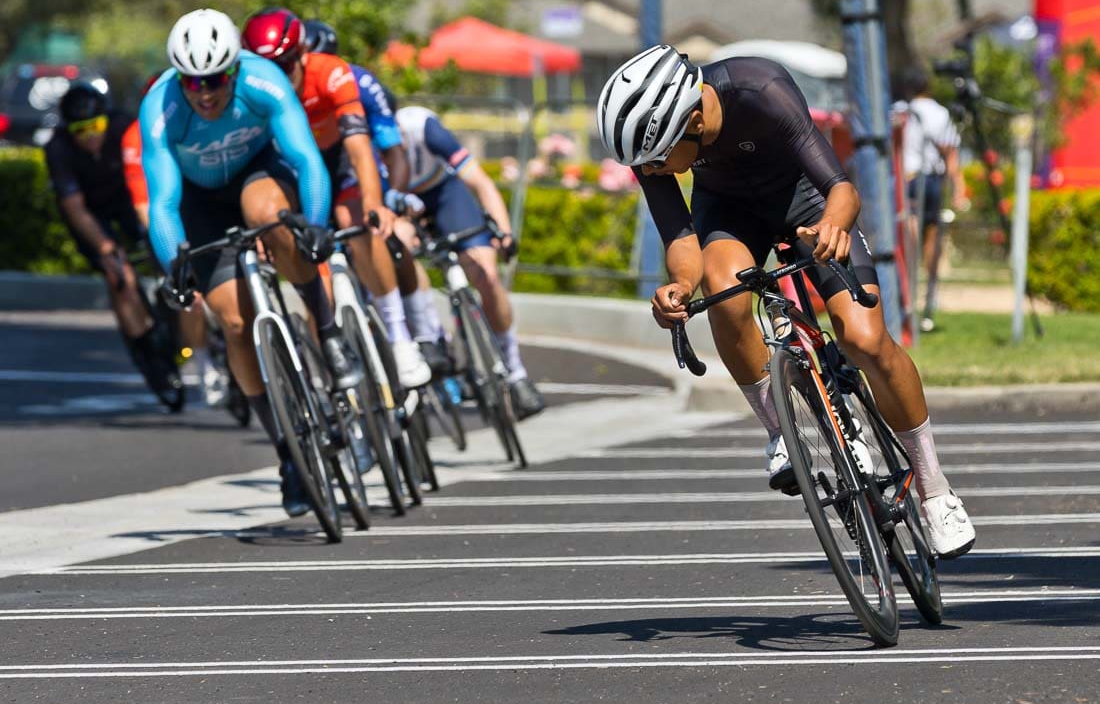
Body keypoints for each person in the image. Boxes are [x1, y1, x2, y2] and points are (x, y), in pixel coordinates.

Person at [595, 44, 974, 558]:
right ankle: (780, 430)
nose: (656, 170)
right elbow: (682, 240)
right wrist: (679, 288)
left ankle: (933, 488)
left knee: (862, 338)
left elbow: (840, 188)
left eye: (659, 159)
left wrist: (834, 228)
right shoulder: (652, 144)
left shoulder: (760, 91)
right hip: (729, 211)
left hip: (809, 200)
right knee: (723, 293)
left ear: (688, 119)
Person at [142, 8, 363, 517]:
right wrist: (174, 265)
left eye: (215, 79)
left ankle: (328, 333)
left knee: (270, 215)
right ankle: (287, 450)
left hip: (258, 174)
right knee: (237, 323)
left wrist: (314, 223)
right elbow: (163, 204)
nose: (205, 92)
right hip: (200, 202)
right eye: (193, 82)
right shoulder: (161, 110)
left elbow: (306, 158)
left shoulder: (262, 81)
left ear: (235, 69)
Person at [242, 9, 431, 389]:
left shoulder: (331, 73)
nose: (278, 75)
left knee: (356, 222)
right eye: (268, 67)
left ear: (303, 54)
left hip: (338, 163)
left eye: (285, 64)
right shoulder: (251, 89)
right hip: (293, 173)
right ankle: (335, 384)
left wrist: (376, 205)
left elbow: (361, 150)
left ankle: (399, 338)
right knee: (318, 282)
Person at [301, 20, 446, 374]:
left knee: (387, 237)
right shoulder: (287, 89)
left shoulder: (359, 83)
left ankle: (417, 335)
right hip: (311, 175)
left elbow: (392, 151)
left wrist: (392, 201)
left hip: (356, 165)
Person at [393, 104, 545, 420]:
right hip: (402, 206)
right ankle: (433, 338)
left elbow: (480, 183)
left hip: (444, 193)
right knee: (399, 253)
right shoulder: (363, 144)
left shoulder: (424, 128)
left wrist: (503, 232)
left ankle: (515, 372)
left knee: (486, 273)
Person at [121, 74, 225, 407]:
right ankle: (204, 363)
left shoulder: (204, 113)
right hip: (170, 219)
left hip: (207, 204)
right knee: (189, 293)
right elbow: (145, 206)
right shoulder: (137, 136)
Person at [45, 82, 157, 370]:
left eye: (96, 126)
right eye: (80, 130)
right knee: (120, 276)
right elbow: (75, 207)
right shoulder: (58, 149)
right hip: (91, 214)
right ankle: (144, 345)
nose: (91, 136)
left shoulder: (123, 127)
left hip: (125, 199)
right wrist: (106, 248)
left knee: (158, 249)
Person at [898, 66, 966, 333]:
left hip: (907, 179)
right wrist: (959, 187)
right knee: (931, 236)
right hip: (931, 179)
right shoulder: (940, 113)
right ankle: (928, 293)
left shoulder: (898, 110)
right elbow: (950, 153)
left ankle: (908, 292)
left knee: (909, 234)